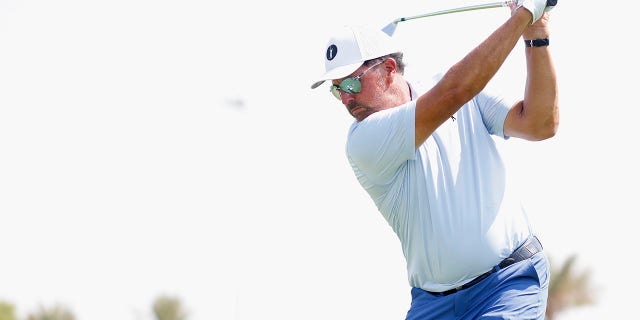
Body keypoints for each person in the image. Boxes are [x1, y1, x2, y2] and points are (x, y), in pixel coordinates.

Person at [310, 0, 558, 319]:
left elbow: (540, 124)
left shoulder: (457, 90)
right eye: (337, 90)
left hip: (507, 283)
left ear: (387, 70)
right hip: (433, 303)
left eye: (351, 83)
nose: (346, 98)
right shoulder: (363, 139)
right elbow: (455, 91)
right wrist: (525, 13)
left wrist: (536, 34)